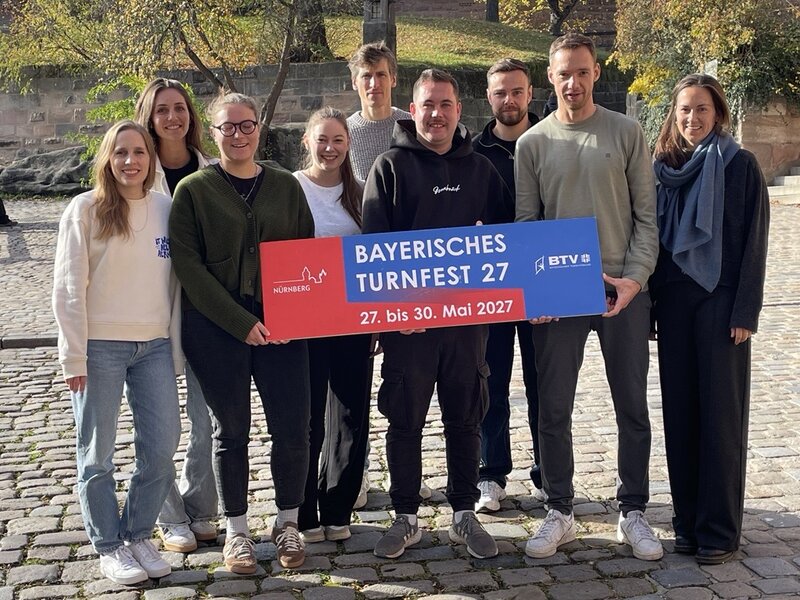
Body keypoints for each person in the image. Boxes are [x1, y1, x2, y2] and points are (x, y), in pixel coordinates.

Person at [515, 33, 663, 561]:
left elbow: (647, 218)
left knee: (632, 406)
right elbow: (527, 225)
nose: (572, 82)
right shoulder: (532, 144)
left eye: (581, 72)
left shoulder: (626, 132)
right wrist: (537, 292)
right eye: (563, 74)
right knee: (553, 406)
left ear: (595, 72)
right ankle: (559, 508)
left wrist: (635, 279)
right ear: (550, 77)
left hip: (623, 290)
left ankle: (633, 509)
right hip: (561, 294)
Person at [363, 68, 513, 560]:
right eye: (428, 104)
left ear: (458, 110)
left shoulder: (481, 170)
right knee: (404, 419)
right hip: (411, 327)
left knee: (465, 417)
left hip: (467, 326)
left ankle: (464, 513)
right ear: (413, 110)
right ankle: (405, 515)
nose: (437, 114)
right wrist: (392, 314)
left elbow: (508, 242)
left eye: (445, 104)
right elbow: (372, 250)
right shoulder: (389, 167)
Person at [169, 92, 314, 574]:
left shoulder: (286, 185)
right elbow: (188, 266)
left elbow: (305, 252)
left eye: (246, 125)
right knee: (229, 431)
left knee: (292, 427)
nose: (238, 135)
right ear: (212, 133)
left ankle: (288, 522)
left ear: (259, 128)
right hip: (215, 326)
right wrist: (239, 322)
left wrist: (292, 317)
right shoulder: (193, 190)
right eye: (228, 127)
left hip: (281, 326)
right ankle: (236, 531)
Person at [52, 120, 182, 585]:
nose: (131, 161)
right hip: (99, 346)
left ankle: (139, 533)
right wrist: (73, 354)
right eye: (121, 152)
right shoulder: (85, 208)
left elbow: (176, 285)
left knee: (163, 447)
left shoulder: (166, 208)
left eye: (139, 152)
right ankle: (109, 544)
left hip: (155, 346)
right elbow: (69, 286)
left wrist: (176, 349)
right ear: (107, 158)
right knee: (96, 454)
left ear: (151, 158)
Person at [651, 74, 769, 565]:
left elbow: (755, 241)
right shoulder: (663, 166)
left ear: (718, 113)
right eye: (684, 109)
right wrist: (650, 308)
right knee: (679, 414)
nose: (692, 118)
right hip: (673, 302)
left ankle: (719, 530)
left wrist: (745, 312)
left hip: (721, 303)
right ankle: (687, 523)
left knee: (721, 416)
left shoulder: (740, 164)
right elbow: (651, 239)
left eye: (702, 109)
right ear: (674, 114)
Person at [134, 77, 220, 553]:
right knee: (160, 427)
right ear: (149, 117)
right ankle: (169, 517)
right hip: (151, 313)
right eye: (162, 109)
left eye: (180, 108)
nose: (173, 117)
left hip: (205, 313)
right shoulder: (135, 174)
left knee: (207, 422)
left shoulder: (212, 171)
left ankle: (202, 507)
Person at [346, 41, 431, 506]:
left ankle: (409, 474)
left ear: (393, 78)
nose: (374, 84)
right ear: (355, 83)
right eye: (366, 76)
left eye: (381, 74)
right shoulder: (344, 132)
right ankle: (353, 473)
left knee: (408, 383)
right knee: (355, 383)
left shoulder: (412, 127)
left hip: (410, 270)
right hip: (361, 269)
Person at [292, 107, 373, 543]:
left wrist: (380, 318)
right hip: (304, 321)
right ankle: (303, 512)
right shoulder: (291, 188)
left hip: (352, 320)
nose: (330, 148)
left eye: (338, 140)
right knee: (306, 417)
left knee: (350, 414)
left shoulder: (361, 193)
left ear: (348, 144)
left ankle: (338, 508)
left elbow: (375, 257)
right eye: (322, 139)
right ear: (307, 141)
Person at [472, 58, 543, 513]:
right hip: (492, 285)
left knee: (543, 383)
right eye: (500, 92)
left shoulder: (551, 140)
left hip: (541, 281)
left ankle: (547, 472)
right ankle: (490, 474)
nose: (509, 100)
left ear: (530, 94)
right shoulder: (471, 153)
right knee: (490, 382)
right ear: (489, 97)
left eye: (516, 91)